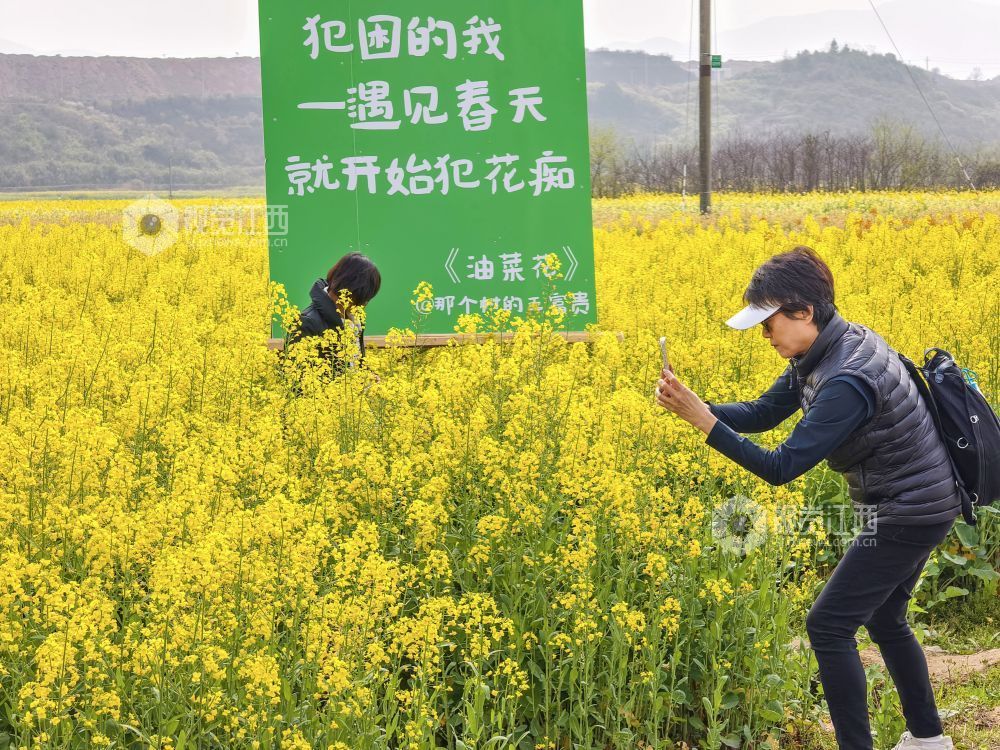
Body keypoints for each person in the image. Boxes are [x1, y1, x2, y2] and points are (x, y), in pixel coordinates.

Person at [655, 246, 961, 750]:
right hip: (918, 501)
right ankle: (929, 740)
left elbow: (781, 467)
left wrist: (703, 422)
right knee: (885, 618)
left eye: (769, 322)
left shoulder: (846, 380)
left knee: (828, 625)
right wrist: (694, 404)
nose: (765, 334)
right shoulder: (825, 349)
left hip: (910, 510)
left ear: (804, 311)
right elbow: (763, 412)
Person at [287, 252, 381, 376]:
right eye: (363, 298)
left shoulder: (354, 318)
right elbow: (297, 378)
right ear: (349, 290)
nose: (364, 304)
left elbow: (355, 362)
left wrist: (366, 376)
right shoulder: (306, 323)